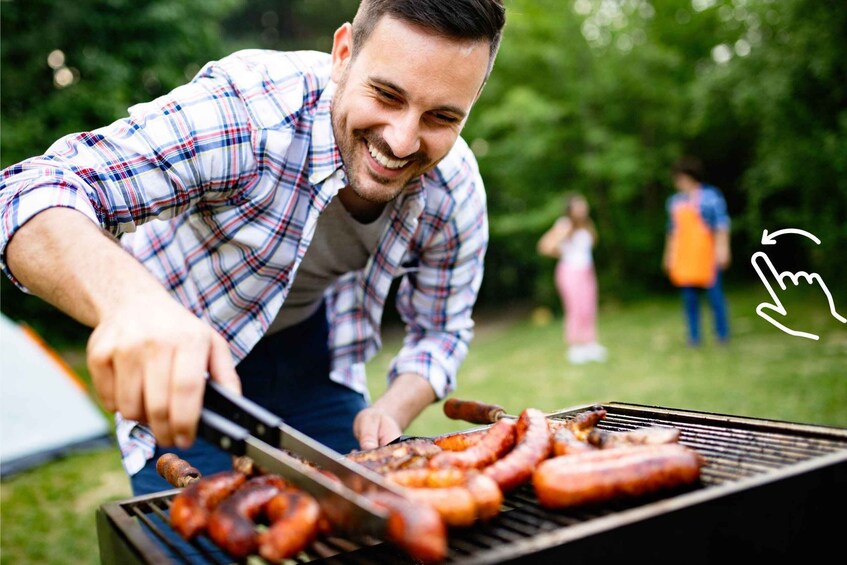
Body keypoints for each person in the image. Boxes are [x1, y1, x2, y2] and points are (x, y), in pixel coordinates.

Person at [0, 0, 506, 495]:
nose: (401, 141)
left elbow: (440, 332)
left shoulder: (454, 189)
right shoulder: (247, 111)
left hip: (318, 361)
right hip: (187, 370)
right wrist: (132, 306)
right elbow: (29, 192)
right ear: (344, 53)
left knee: (365, 534)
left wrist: (391, 409)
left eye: (441, 117)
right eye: (387, 95)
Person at [662, 156, 731, 346]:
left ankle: (722, 335)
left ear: (689, 177)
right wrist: (669, 256)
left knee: (715, 297)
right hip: (685, 256)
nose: (677, 182)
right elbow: (672, 232)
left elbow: (721, 226)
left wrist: (723, 249)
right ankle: (694, 338)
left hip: (707, 254)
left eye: (679, 177)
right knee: (689, 300)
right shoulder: (675, 202)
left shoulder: (710, 197)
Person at [537, 192, 607, 364]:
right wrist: (561, 250)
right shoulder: (564, 225)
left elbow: (592, 242)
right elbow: (544, 246)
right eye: (579, 206)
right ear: (570, 209)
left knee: (588, 307)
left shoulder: (587, 225)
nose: (583, 208)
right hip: (569, 271)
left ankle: (590, 343)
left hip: (586, 270)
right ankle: (575, 346)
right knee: (574, 308)